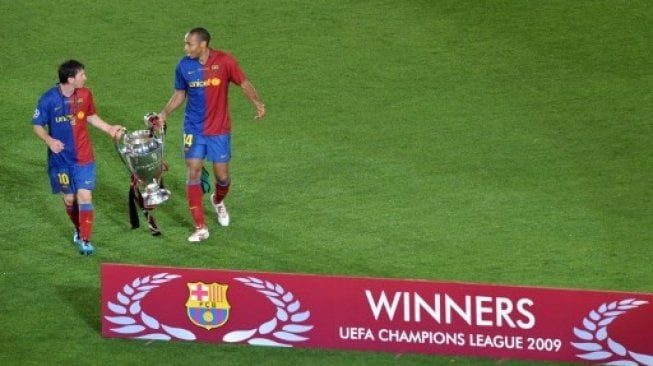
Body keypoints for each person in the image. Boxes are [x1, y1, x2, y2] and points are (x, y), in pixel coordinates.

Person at [157, 27, 266, 242]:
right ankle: (200, 227)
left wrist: (257, 103)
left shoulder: (224, 61)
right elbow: (180, 93)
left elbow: (243, 81)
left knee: (222, 177)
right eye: (185, 43)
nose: (185, 48)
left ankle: (217, 200)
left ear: (203, 44)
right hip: (194, 129)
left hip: (219, 131)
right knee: (194, 171)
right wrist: (164, 113)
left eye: (189, 44)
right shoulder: (183, 66)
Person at [32, 59, 125, 255]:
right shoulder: (48, 99)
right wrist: (49, 140)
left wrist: (109, 128)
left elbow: (90, 115)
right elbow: (37, 125)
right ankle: (78, 228)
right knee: (69, 199)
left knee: (84, 196)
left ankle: (85, 239)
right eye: (82, 74)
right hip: (61, 161)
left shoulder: (85, 94)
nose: (85, 77)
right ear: (70, 79)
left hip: (84, 157)